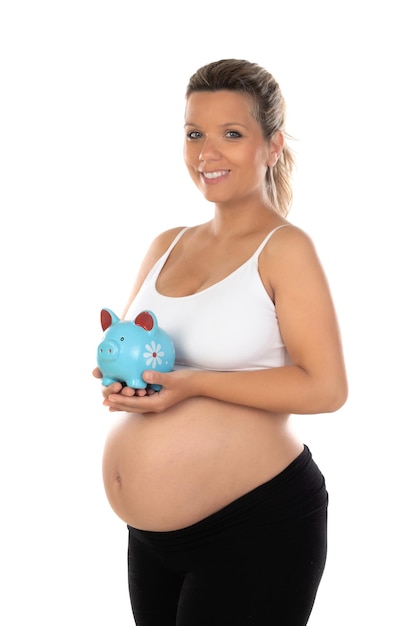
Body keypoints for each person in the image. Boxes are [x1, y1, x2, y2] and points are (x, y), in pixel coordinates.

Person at [93, 58, 348, 625]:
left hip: (256, 527)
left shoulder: (286, 249)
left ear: (271, 145)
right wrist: (125, 381)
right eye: (194, 133)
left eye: (231, 134)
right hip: (151, 539)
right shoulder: (166, 243)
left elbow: (326, 388)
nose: (207, 153)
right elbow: (145, 348)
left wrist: (189, 386)